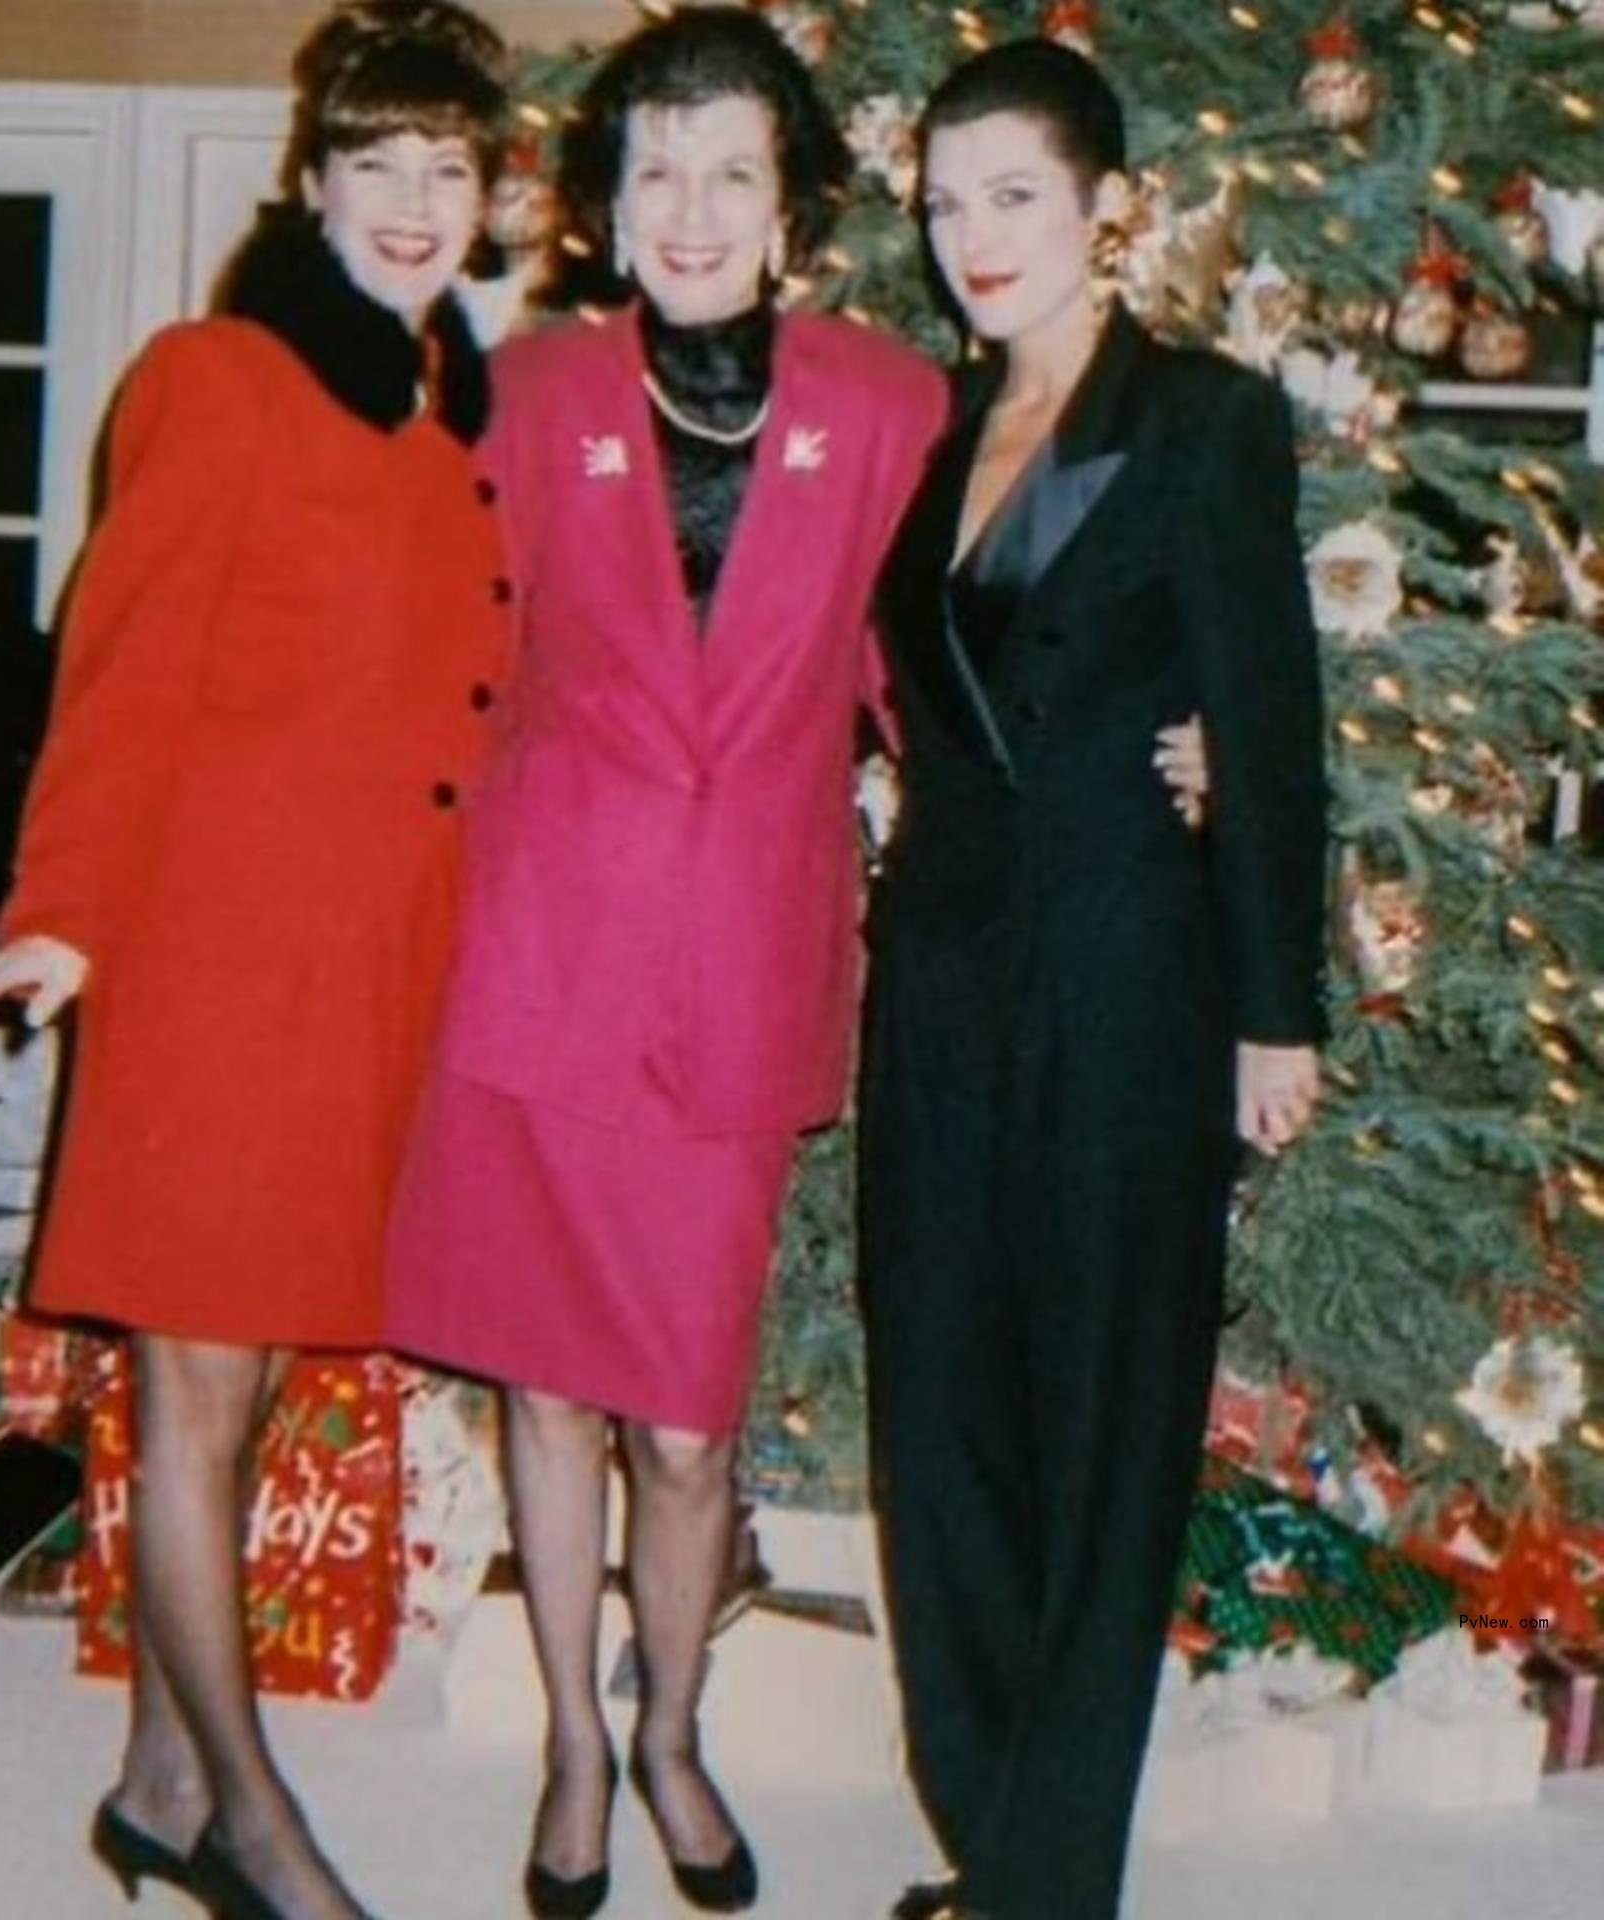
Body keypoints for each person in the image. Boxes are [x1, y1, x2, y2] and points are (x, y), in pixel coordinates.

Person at [380, 14, 1207, 1919]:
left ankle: (674, 1724)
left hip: (744, 967)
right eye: (655, 171)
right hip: (540, 955)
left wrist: (1190, 731)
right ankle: (580, 1755)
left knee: (684, 1422)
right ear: (605, 202)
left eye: (731, 172)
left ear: (795, 208)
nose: (689, 210)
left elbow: (992, 656)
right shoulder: (520, 391)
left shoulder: (892, 404)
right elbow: (418, 647)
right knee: (550, 1398)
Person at [0, 7, 513, 1918]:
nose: (419, 205)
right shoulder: (218, 376)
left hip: (368, 979)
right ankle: (256, 1830)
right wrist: (61, 913)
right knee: (194, 1394)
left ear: (492, 198)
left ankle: (156, 1785)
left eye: (454, 170)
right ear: (312, 186)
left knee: (242, 1396)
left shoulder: (452, 414)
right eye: (382, 167)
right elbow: (123, 666)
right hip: (215, 973)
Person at [859, 39, 1327, 1920]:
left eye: (1014, 197)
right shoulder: (938, 432)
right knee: (944, 1413)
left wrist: (1272, 1007)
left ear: (1104, 206)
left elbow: (1271, 728)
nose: (970, 236)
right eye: (945, 200)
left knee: (1110, 1427)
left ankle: (1046, 1889)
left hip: (1134, 979)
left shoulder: (1202, 418)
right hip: (947, 982)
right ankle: (992, 1829)